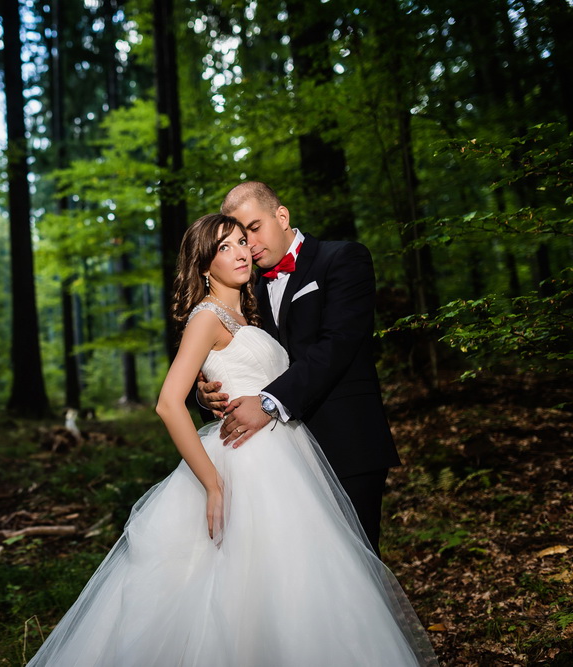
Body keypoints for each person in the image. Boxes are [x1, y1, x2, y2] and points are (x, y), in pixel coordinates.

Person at [27, 214, 437, 666]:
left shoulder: (250, 312)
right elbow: (167, 403)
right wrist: (213, 483)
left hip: (290, 454)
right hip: (246, 461)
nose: (241, 251)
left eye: (242, 241)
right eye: (224, 247)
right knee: (239, 588)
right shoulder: (205, 317)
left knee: (301, 583)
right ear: (204, 264)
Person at [199, 181, 400, 553]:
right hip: (281, 459)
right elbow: (243, 360)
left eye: (255, 228)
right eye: (241, 237)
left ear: (282, 215)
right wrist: (208, 392)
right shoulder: (250, 291)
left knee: (353, 565)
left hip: (346, 442)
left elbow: (337, 345)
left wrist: (267, 402)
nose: (250, 245)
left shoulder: (343, 258)